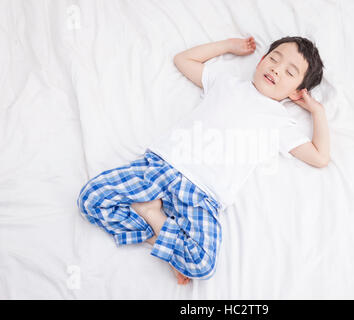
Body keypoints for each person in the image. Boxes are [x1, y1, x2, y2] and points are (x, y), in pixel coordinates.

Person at [77, 36, 330, 285]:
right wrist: (229, 46)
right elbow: (183, 59)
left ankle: (153, 217)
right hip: (164, 166)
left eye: (290, 72)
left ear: (297, 92)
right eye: (274, 59)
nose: (276, 68)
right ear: (261, 59)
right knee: (90, 199)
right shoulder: (226, 82)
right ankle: (167, 243)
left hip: (204, 196)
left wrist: (317, 111)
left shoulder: (280, 122)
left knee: (201, 265)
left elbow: (320, 157)